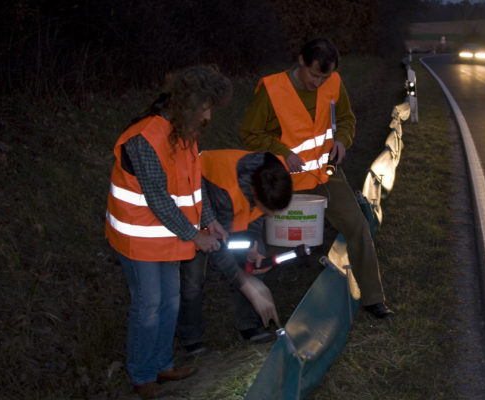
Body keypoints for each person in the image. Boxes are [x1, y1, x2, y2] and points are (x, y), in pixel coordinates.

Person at [239, 38, 394, 325]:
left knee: (357, 226)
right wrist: (283, 153)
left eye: (325, 76)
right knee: (269, 246)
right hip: (285, 180)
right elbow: (249, 134)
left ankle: (374, 300)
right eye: (314, 75)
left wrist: (342, 141)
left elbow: (346, 118)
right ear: (300, 61)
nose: (319, 83)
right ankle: (249, 314)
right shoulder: (272, 89)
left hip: (326, 173)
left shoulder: (333, 82)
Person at [105, 65, 231, 399]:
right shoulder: (145, 138)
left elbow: (194, 182)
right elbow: (158, 199)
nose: (208, 117)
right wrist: (196, 236)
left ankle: (161, 363)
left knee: (170, 302)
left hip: (167, 237)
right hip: (138, 239)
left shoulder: (184, 133)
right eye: (205, 108)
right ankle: (142, 375)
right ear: (189, 104)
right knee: (149, 305)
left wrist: (208, 218)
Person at [178, 149, 292, 354]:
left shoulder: (274, 174)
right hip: (194, 216)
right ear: (255, 194)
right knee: (192, 280)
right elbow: (220, 248)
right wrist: (245, 283)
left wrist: (253, 244)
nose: (272, 215)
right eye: (269, 210)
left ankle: (249, 325)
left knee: (258, 262)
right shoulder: (227, 190)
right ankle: (191, 339)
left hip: (230, 217)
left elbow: (257, 215)